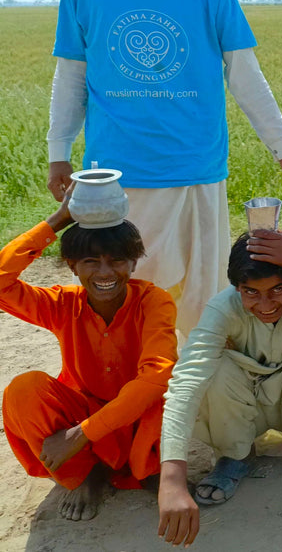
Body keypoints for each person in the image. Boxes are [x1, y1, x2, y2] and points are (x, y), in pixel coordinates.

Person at [45, 0, 282, 338]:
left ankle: (196, 383)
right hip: (117, 177)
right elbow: (71, 74)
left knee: (201, 302)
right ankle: (131, 381)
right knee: (127, 296)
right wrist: (59, 154)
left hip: (197, 171)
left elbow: (246, 77)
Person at [157, 229, 282, 547]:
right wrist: (172, 480)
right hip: (246, 408)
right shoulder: (224, 307)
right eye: (251, 292)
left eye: (279, 289)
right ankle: (237, 454)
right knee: (213, 367)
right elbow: (186, 382)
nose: (266, 304)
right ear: (237, 288)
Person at [1, 193, 177, 521]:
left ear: (133, 263)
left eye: (117, 260)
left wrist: (81, 434)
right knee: (23, 390)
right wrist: (57, 221)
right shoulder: (63, 304)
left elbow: (156, 377)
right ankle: (85, 476)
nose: (105, 273)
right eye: (91, 262)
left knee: (170, 395)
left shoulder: (154, 301)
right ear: (73, 266)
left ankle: (152, 469)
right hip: (84, 411)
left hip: (140, 420)